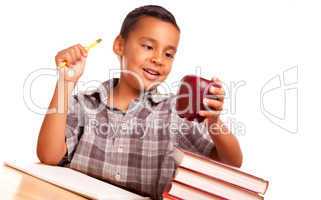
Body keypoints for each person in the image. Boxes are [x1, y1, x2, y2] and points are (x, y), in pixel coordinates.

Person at [36, 5, 242, 200]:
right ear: (120, 45)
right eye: (148, 46)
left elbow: (231, 163)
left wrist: (214, 121)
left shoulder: (175, 112)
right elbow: (49, 156)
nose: (158, 59)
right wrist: (66, 82)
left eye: (168, 54)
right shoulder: (85, 105)